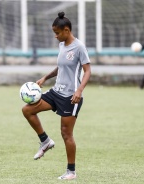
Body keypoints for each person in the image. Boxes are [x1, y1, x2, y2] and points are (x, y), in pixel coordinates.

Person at [21, 12, 91, 180]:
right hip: (55, 92)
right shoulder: (62, 46)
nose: (55, 36)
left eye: (57, 32)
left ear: (66, 30)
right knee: (27, 110)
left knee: (66, 134)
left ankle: (71, 171)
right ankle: (45, 141)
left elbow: (88, 71)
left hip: (70, 97)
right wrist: (45, 77)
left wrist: (79, 91)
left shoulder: (79, 47)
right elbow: (61, 67)